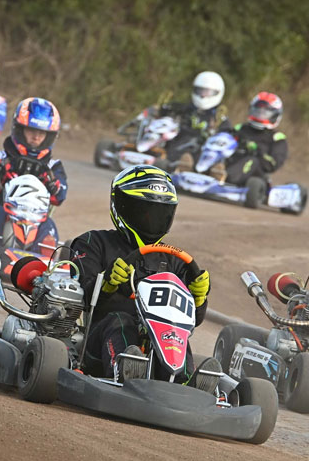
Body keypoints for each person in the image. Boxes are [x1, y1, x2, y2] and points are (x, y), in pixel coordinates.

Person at [68, 164, 220, 392]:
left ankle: (185, 384)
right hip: (97, 344)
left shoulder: (176, 261)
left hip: (157, 343)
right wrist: (107, 283)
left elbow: (192, 321)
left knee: (174, 333)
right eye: (144, 212)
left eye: (159, 214)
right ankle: (125, 371)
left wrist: (198, 300)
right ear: (121, 207)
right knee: (121, 320)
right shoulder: (93, 243)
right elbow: (82, 297)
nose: (151, 220)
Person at [0, 98, 66, 252]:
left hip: (36, 219)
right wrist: (0, 174)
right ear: (19, 129)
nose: (36, 137)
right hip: (4, 212)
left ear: (49, 136)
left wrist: (53, 184)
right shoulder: (0, 157)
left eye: (41, 133)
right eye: (31, 131)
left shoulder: (53, 167)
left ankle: (45, 254)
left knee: (49, 225)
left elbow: (60, 196)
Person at [155, 71, 229, 168]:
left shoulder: (219, 120)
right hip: (172, 148)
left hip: (198, 157)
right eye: (200, 91)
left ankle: (187, 166)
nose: (203, 96)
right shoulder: (182, 109)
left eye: (207, 92)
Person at [214, 92, 289, 185]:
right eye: (258, 111)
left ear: (275, 115)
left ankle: (224, 176)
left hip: (254, 177)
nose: (260, 115)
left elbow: (272, 164)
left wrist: (256, 150)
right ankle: (204, 169)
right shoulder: (241, 128)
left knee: (252, 160)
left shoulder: (277, 138)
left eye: (264, 113)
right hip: (231, 161)